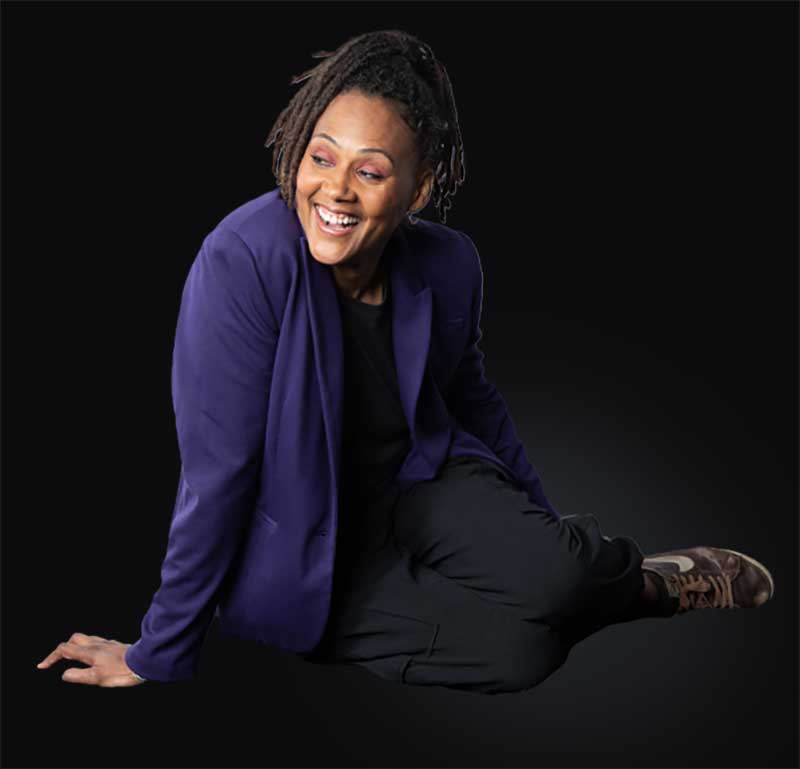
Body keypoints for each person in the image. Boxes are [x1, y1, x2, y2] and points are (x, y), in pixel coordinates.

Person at [37, 29, 774, 693]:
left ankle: (650, 584)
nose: (335, 189)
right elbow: (216, 472)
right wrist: (157, 650)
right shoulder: (243, 262)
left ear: (416, 189)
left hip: (420, 481)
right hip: (306, 544)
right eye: (321, 157)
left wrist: (552, 554)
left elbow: (473, 399)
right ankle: (608, 588)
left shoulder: (449, 263)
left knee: (561, 579)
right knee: (523, 656)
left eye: (371, 171)